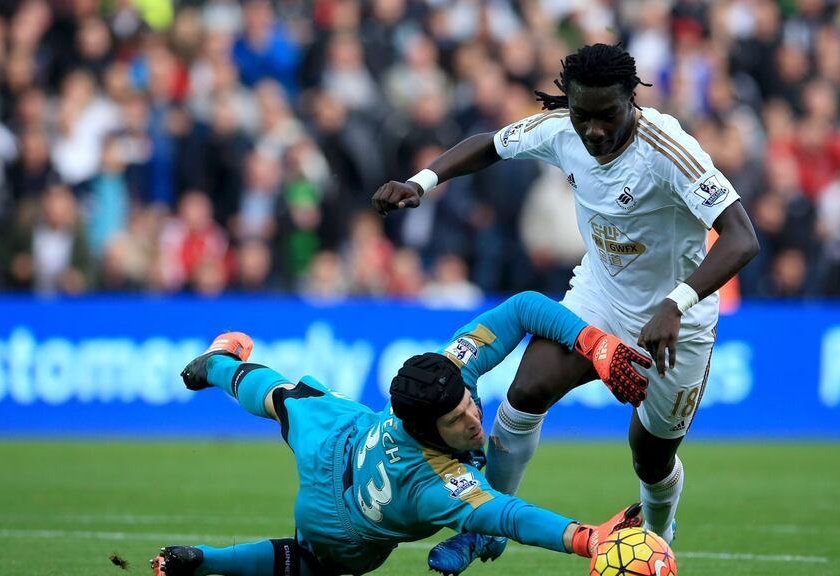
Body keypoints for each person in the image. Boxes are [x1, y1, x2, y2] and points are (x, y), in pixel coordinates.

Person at [372, 43, 759, 574]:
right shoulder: (560, 130)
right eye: (583, 116)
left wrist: (676, 302)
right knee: (524, 394)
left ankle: (658, 535)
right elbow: (489, 144)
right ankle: (483, 529)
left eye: (608, 116)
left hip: (676, 321)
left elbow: (742, 238)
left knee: (650, 454)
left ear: (632, 101)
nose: (594, 130)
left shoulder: (669, 149)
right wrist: (422, 183)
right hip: (597, 298)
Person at [150, 291, 652, 576]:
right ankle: (209, 562)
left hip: (343, 437)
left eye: (468, 402)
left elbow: (521, 308)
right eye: (457, 420)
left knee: (287, 398)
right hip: (341, 525)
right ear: (424, 429)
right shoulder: (433, 484)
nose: (473, 416)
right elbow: (511, 514)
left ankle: (216, 364)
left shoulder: (440, 379)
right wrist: (588, 539)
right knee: (312, 560)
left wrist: (595, 343)